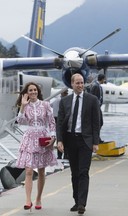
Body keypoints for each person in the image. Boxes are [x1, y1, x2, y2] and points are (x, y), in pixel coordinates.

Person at [56, 74, 100, 215]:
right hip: (70, 139)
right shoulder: (65, 101)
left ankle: (82, 203)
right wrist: (60, 140)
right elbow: (60, 122)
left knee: (83, 172)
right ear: (72, 84)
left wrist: (95, 142)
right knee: (74, 173)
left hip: (85, 140)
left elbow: (97, 122)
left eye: (82, 83)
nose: (80, 85)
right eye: (77, 83)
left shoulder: (92, 100)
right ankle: (76, 201)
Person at [15, 82, 58, 211]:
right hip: (29, 138)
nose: (33, 92)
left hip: (42, 139)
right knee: (28, 170)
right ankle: (28, 200)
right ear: (27, 93)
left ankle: (38, 198)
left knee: (41, 171)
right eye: (30, 90)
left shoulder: (45, 105)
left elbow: (51, 122)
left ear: (38, 91)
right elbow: (20, 122)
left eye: (35, 90)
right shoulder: (25, 106)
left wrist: (53, 137)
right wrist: (22, 106)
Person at [50, 89, 69, 159]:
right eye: (66, 93)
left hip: (55, 118)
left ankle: (59, 156)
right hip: (61, 119)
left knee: (59, 136)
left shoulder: (56, 100)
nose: (67, 94)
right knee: (64, 137)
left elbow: (50, 105)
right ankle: (65, 155)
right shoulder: (64, 101)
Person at [90, 74, 106, 142]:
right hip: (96, 107)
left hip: (98, 107)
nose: (104, 80)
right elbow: (93, 97)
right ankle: (96, 138)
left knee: (100, 122)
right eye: (104, 79)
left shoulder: (98, 86)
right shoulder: (96, 86)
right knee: (99, 122)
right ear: (102, 79)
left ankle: (97, 137)